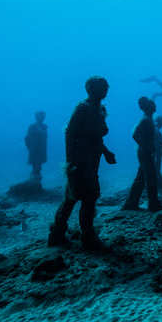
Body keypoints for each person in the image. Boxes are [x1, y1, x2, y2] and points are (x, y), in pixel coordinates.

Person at [48, 76, 117, 250]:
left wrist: (106, 152)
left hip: (92, 161)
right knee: (73, 197)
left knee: (89, 197)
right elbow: (70, 134)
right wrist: (70, 162)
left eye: (106, 86)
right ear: (92, 89)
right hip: (80, 161)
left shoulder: (99, 109)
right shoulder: (82, 108)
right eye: (103, 87)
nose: (107, 89)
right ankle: (62, 234)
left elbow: (96, 137)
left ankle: (85, 234)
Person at [122, 97, 162, 212]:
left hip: (145, 152)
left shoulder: (148, 119)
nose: (155, 106)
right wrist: (146, 147)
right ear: (148, 107)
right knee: (151, 178)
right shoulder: (145, 120)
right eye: (152, 104)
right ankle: (153, 204)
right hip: (145, 153)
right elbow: (135, 135)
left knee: (141, 178)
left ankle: (131, 203)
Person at [24, 111, 47, 186]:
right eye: (40, 116)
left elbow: (44, 138)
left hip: (41, 151)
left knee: (38, 167)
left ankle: (36, 183)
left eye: (43, 116)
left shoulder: (44, 126)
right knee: (36, 167)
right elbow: (27, 138)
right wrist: (30, 148)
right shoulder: (32, 127)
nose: (42, 117)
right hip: (34, 150)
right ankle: (34, 183)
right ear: (36, 117)